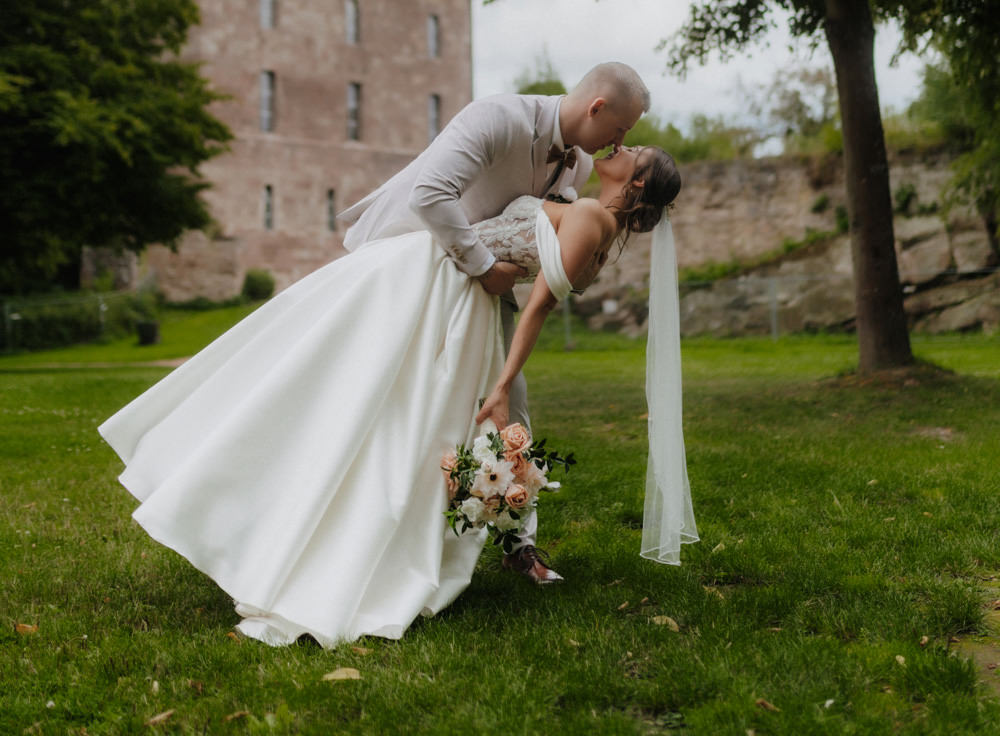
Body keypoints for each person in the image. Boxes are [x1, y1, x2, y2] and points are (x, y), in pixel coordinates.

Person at [98, 144, 697, 649]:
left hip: (436, 285)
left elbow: (538, 306)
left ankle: (294, 526)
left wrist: (499, 386)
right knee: (329, 384)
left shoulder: (592, 217)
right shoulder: (588, 211)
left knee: (344, 394)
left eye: (632, 150)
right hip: (436, 281)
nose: (621, 145)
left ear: (638, 180)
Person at [339, 62, 650, 583]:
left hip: (486, 296)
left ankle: (519, 544)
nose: (617, 143)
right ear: (597, 108)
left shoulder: (575, 168)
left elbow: (542, 241)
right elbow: (430, 195)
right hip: (412, 267)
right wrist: (485, 268)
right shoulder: (496, 117)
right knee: (392, 402)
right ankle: (367, 524)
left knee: (513, 406)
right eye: (618, 131)